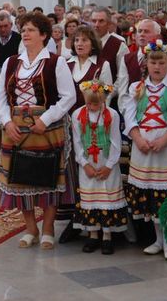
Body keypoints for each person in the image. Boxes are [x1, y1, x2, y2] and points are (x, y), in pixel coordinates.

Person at [0, 12, 76, 250]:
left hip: (46, 128)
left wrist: (46, 119)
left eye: (30, 30)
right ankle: (30, 228)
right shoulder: (11, 62)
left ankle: (48, 228)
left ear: (43, 35)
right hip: (16, 127)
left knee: (48, 176)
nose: (25, 34)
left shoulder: (55, 62)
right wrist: (7, 122)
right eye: (23, 30)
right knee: (20, 178)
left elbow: (69, 96)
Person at [123, 40, 167, 260]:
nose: (157, 67)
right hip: (143, 147)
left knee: (164, 195)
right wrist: (138, 139)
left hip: (166, 148)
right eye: (153, 62)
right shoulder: (136, 87)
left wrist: (165, 140)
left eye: (162, 62)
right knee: (149, 194)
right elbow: (129, 116)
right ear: (146, 64)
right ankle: (158, 240)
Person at [59, 26, 113, 244]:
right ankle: (75, 216)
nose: (80, 44)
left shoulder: (101, 65)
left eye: (84, 40)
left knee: (90, 168)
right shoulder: (66, 64)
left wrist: (96, 120)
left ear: (93, 43)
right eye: (77, 40)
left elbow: (107, 93)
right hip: (69, 123)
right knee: (71, 169)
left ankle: (97, 220)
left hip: (93, 125)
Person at [70, 80, 126, 254]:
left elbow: (116, 142)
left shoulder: (112, 115)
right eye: (89, 104)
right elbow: (77, 142)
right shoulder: (78, 115)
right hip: (88, 165)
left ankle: (107, 235)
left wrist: (109, 166)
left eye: (96, 104)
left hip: (107, 163)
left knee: (107, 197)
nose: (92, 107)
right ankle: (93, 234)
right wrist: (84, 164)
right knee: (91, 198)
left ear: (103, 100)